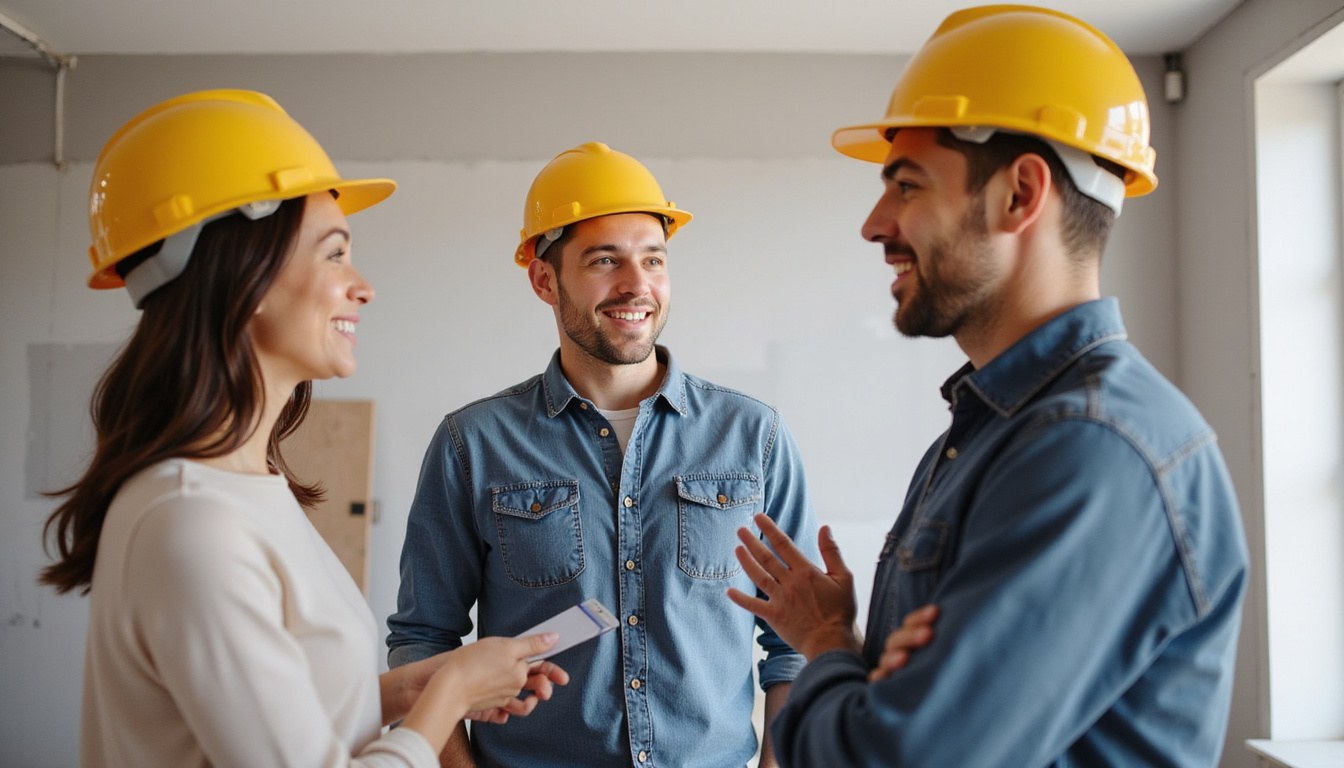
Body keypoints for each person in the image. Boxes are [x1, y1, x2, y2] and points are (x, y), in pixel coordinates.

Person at [726, 6, 1249, 767]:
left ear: (1019, 194)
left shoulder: (1091, 452)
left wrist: (831, 647)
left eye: (907, 185)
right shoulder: (987, 434)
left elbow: (894, 757)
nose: (876, 224)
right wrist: (872, 678)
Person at [40, 89, 567, 768]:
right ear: (245, 278)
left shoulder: (245, 490)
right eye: (334, 253)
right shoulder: (192, 523)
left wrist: (411, 690)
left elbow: (286, 717)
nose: (362, 286)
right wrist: (451, 693)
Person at [387, 142, 821, 768]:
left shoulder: (754, 437)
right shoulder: (472, 445)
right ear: (544, 280)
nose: (637, 286)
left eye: (654, 259)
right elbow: (423, 641)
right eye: (604, 261)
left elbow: (797, 641)